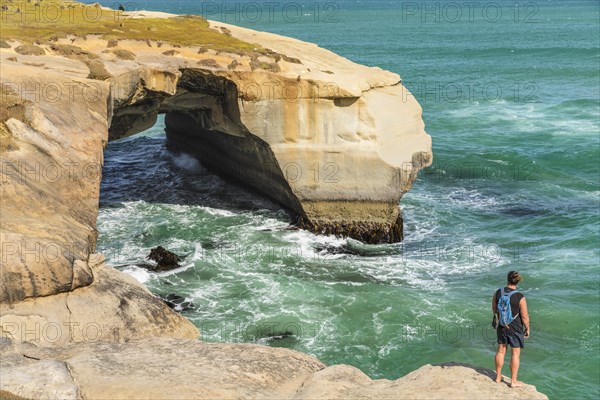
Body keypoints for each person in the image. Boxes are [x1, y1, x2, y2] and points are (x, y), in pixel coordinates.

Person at [492, 271, 530, 387]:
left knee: (501, 351)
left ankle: (498, 376)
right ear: (518, 281)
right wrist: (527, 328)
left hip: (502, 326)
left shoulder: (498, 292)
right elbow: (524, 316)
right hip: (515, 328)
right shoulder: (520, 297)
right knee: (515, 354)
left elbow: (494, 309)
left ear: (507, 279)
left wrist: (501, 319)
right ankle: (513, 381)